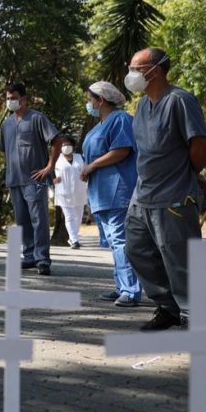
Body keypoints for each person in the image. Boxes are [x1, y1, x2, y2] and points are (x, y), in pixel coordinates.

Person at [123, 48, 206, 330]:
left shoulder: (180, 100)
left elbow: (200, 147)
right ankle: (168, 307)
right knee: (137, 251)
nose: (131, 74)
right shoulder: (142, 107)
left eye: (137, 68)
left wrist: (186, 175)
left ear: (156, 70)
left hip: (174, 194)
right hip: (142, 194)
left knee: (179, 256)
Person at [80, 81, 142, 308]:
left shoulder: (121, 119)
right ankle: (121, 287)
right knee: (113, 242)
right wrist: (88, 169)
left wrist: (92, 165)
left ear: (101, 100)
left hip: (118, 190)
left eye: (90, 99)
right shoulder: (98, 126)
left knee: (121, 241)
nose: (89, 104)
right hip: (100, 194)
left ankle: (131, 290)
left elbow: (122, 150)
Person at [0, 82, 61, 275]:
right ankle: (29, 257)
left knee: (39, 220)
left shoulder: (37, 118)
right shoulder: (6, 123)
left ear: (24, 99)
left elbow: (57, 140)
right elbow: (4, 149)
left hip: (35, 179)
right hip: (14, 180)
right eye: (8, 99)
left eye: (14, 98)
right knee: (22, 221)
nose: (11, 102)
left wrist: (49, 166)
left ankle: (43, 259)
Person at [53, 135, 88, 249]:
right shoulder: (55, 159)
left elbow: (86, 170)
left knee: (78, 217)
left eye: (68, 144)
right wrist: (52, 180)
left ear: (73, 146)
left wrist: (86, 176)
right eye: (63, 145)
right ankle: (74, 240)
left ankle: (72, 237)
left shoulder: (80, 157)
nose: (66, 147)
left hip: (79, 191)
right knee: (70, 216)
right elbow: (48, 173)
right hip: (63, 192)